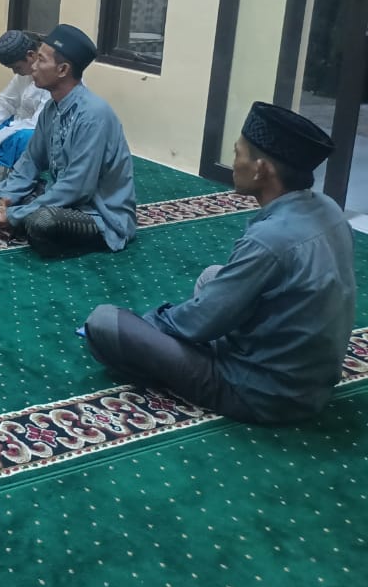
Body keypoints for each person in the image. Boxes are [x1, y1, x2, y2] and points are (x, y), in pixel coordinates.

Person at [83, 102, 355, 423]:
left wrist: (145, 325)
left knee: (104, 323)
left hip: (262, 393)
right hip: (311, 381)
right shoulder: (328, 208)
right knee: (211, 276)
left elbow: (196, 323)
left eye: (238, 153)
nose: (233, 162)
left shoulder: (269, 240)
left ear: (260, 169)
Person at [0, 24, 136, 256]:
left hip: (96, 211)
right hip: (60, 195)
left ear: (63, 69)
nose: (33, 66)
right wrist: (8, 199)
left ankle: (19, 222)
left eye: (41, 60)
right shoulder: (51, 108)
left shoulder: (93, 115)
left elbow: (78, 187)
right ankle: (12, 218)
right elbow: (31, 160)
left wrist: (16, 214)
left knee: (43, 221)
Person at [0, 29, 50, 209]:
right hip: (16, 125)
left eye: (17, 67)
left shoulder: (51, 76)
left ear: (31, 55)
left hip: (38, 132)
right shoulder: (26, 73)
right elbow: (7, 101)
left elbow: (38, 124)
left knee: (27, 138)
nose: (15, 72)